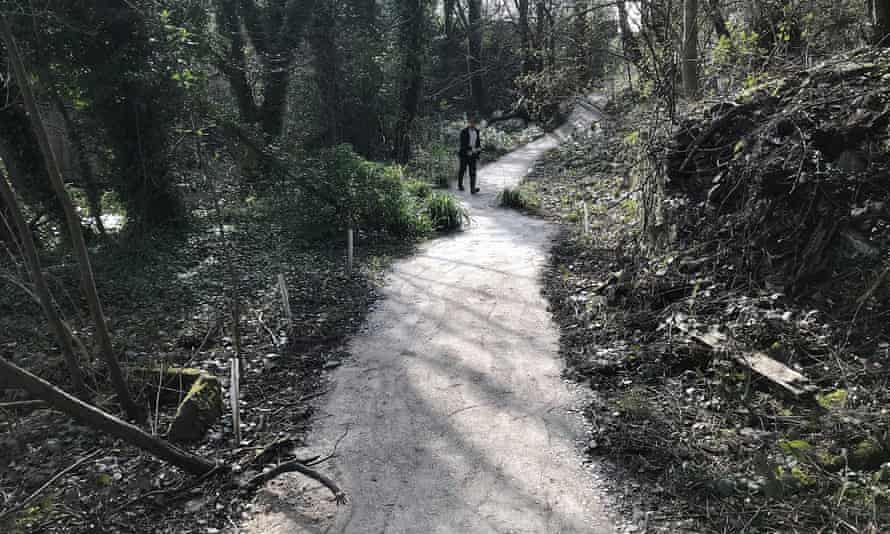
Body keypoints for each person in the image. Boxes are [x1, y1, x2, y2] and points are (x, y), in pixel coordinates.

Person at [457, 116, 482, 193]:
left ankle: (472, 189)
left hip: (473, 154)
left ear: (476, 124)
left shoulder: (477, 131)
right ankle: (460, 185)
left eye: (474, 123)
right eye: (471, 122)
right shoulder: (463, 131)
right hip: (464, 154)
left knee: (473, 172)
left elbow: (478, 143)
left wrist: (478, 150)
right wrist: (470, 150)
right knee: (462, 170)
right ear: (469, 123)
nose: (473, 124)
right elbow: (463, 143)